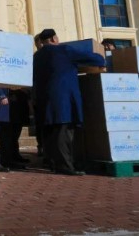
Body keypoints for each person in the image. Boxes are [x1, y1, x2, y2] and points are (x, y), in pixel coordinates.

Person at [33, 28, 104, 176]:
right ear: (54, 39)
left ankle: (52, 163)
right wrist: (102, 56)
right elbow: (95, 59)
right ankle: (65, 166)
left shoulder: (37, 56)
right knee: (63, 132)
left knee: (50, 133)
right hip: (62, 100)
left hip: (43, 100)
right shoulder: (64, 50)